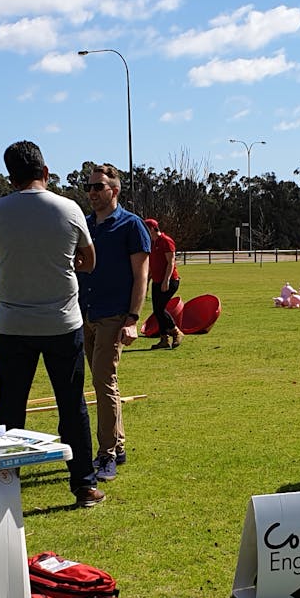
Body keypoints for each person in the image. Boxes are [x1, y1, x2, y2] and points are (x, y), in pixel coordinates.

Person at [0, 141, 104, 508]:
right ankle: (84, 484)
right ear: (46, 172)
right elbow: (89, 261)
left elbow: (1, 253)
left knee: (10, 406)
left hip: (13, 322)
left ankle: (4, 482)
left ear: (11, 177)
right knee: (71, 406)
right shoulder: (68, 208)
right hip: (61, 321)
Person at [77, 162, 150, 483]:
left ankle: (105, 454)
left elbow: (141, 276)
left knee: (102, 382)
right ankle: (117, 445)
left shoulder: (131, 226)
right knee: (103, 382)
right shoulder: (85, 225)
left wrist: (133, 318)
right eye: (89, 187)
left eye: (98, 187)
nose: (92, 193)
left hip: (113, 316)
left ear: (115, 190)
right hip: (85, 314)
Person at [145, 217, 184, 350]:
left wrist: (166, 280)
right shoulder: (151, 243)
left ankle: (176, 332)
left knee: (160, 309)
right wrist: (147, 281)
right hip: (157, 281)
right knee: (157, 310)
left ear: (151, 229)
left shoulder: (166, 241)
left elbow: (171, 262)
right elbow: (152, 266)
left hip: (170, 281)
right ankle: (164, 339)